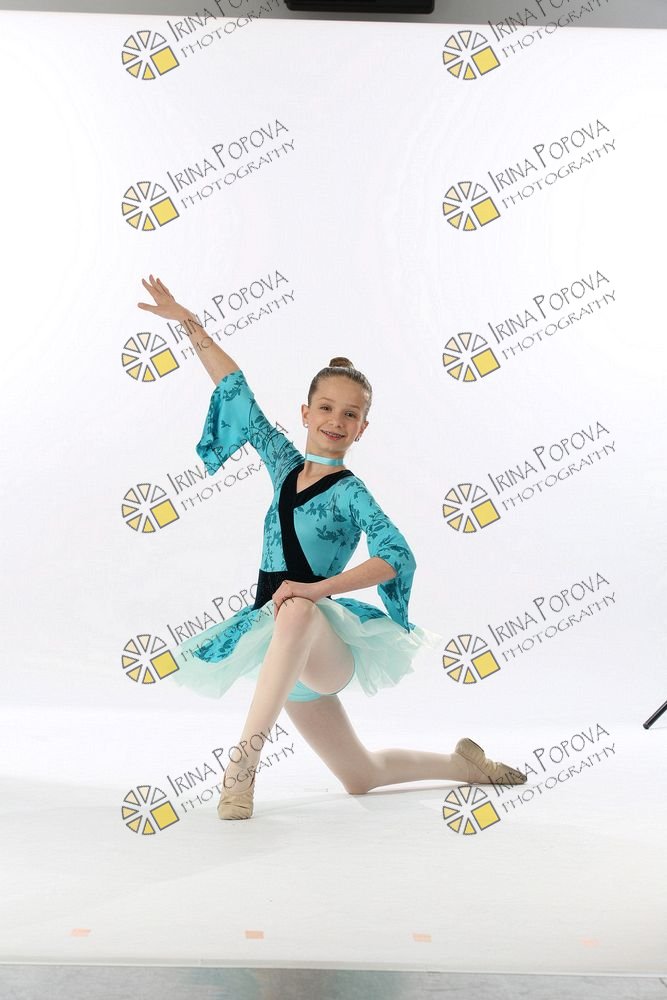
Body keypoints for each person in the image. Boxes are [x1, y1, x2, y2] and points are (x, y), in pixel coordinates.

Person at [138, 274, 527, 820]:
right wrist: (190, 324)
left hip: (322, 646)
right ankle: (465, 766)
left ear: (363, 427)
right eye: (325, 408)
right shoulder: (283, 467)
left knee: (297, 609)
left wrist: (315, 590)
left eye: (350, 414)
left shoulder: (351, 492)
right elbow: (237, 392)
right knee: (360, 777)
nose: (336, 421)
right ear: (305, 414)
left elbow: (396, 556)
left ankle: (243, 764)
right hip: (279, 650)